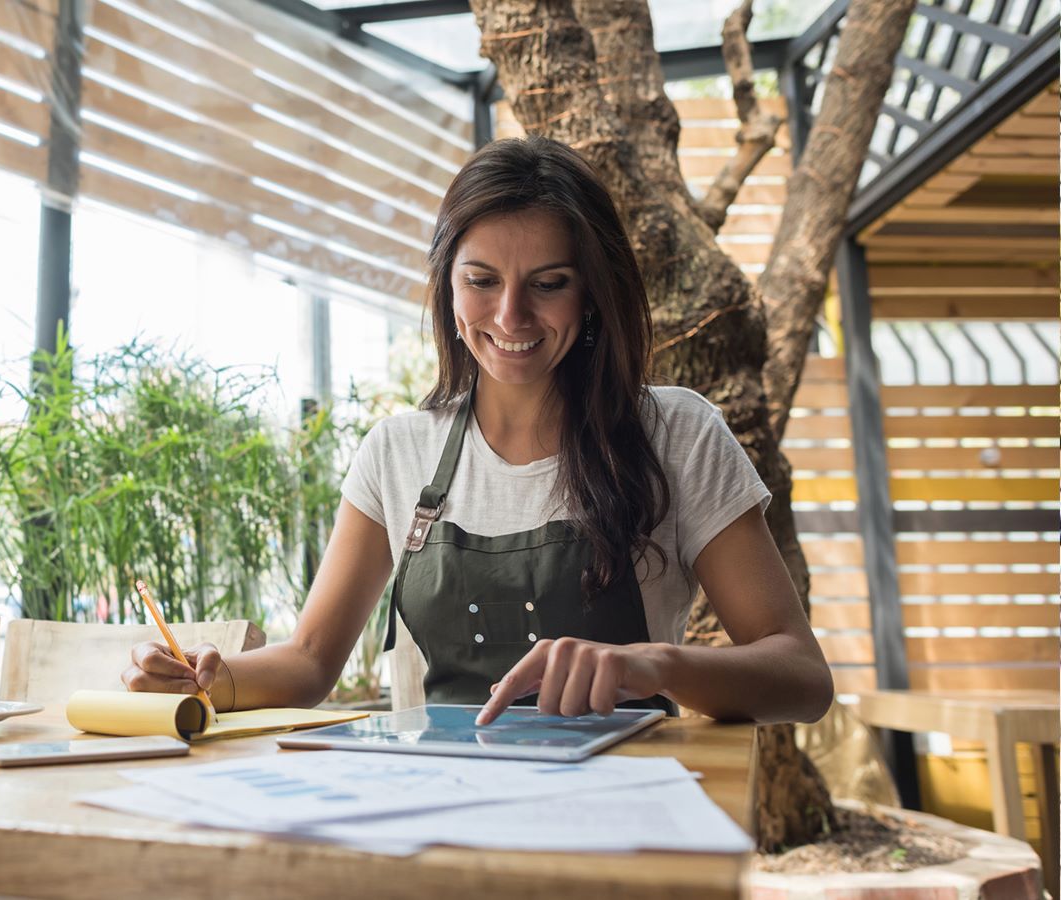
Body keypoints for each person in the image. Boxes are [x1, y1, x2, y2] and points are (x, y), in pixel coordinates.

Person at [122, 136, 833, 725]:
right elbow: (310, 661)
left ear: (592, 292)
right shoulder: (397, 452)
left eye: (549, 283)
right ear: (448, 285)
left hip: (623, 812)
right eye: (482, 280)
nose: (511, 316)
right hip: (449, 807)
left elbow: (801, 676)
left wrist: (649, 663)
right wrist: (208, 680)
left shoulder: (677, 434)